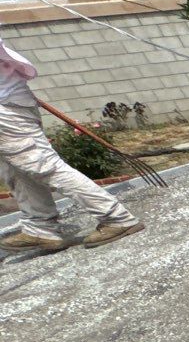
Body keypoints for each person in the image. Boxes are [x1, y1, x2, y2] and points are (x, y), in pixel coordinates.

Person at [0, 34, 145, 254]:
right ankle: (41, 228)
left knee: (41, 165)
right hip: (8, 100)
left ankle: (117, 218)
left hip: (6, 106)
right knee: (16, 169)